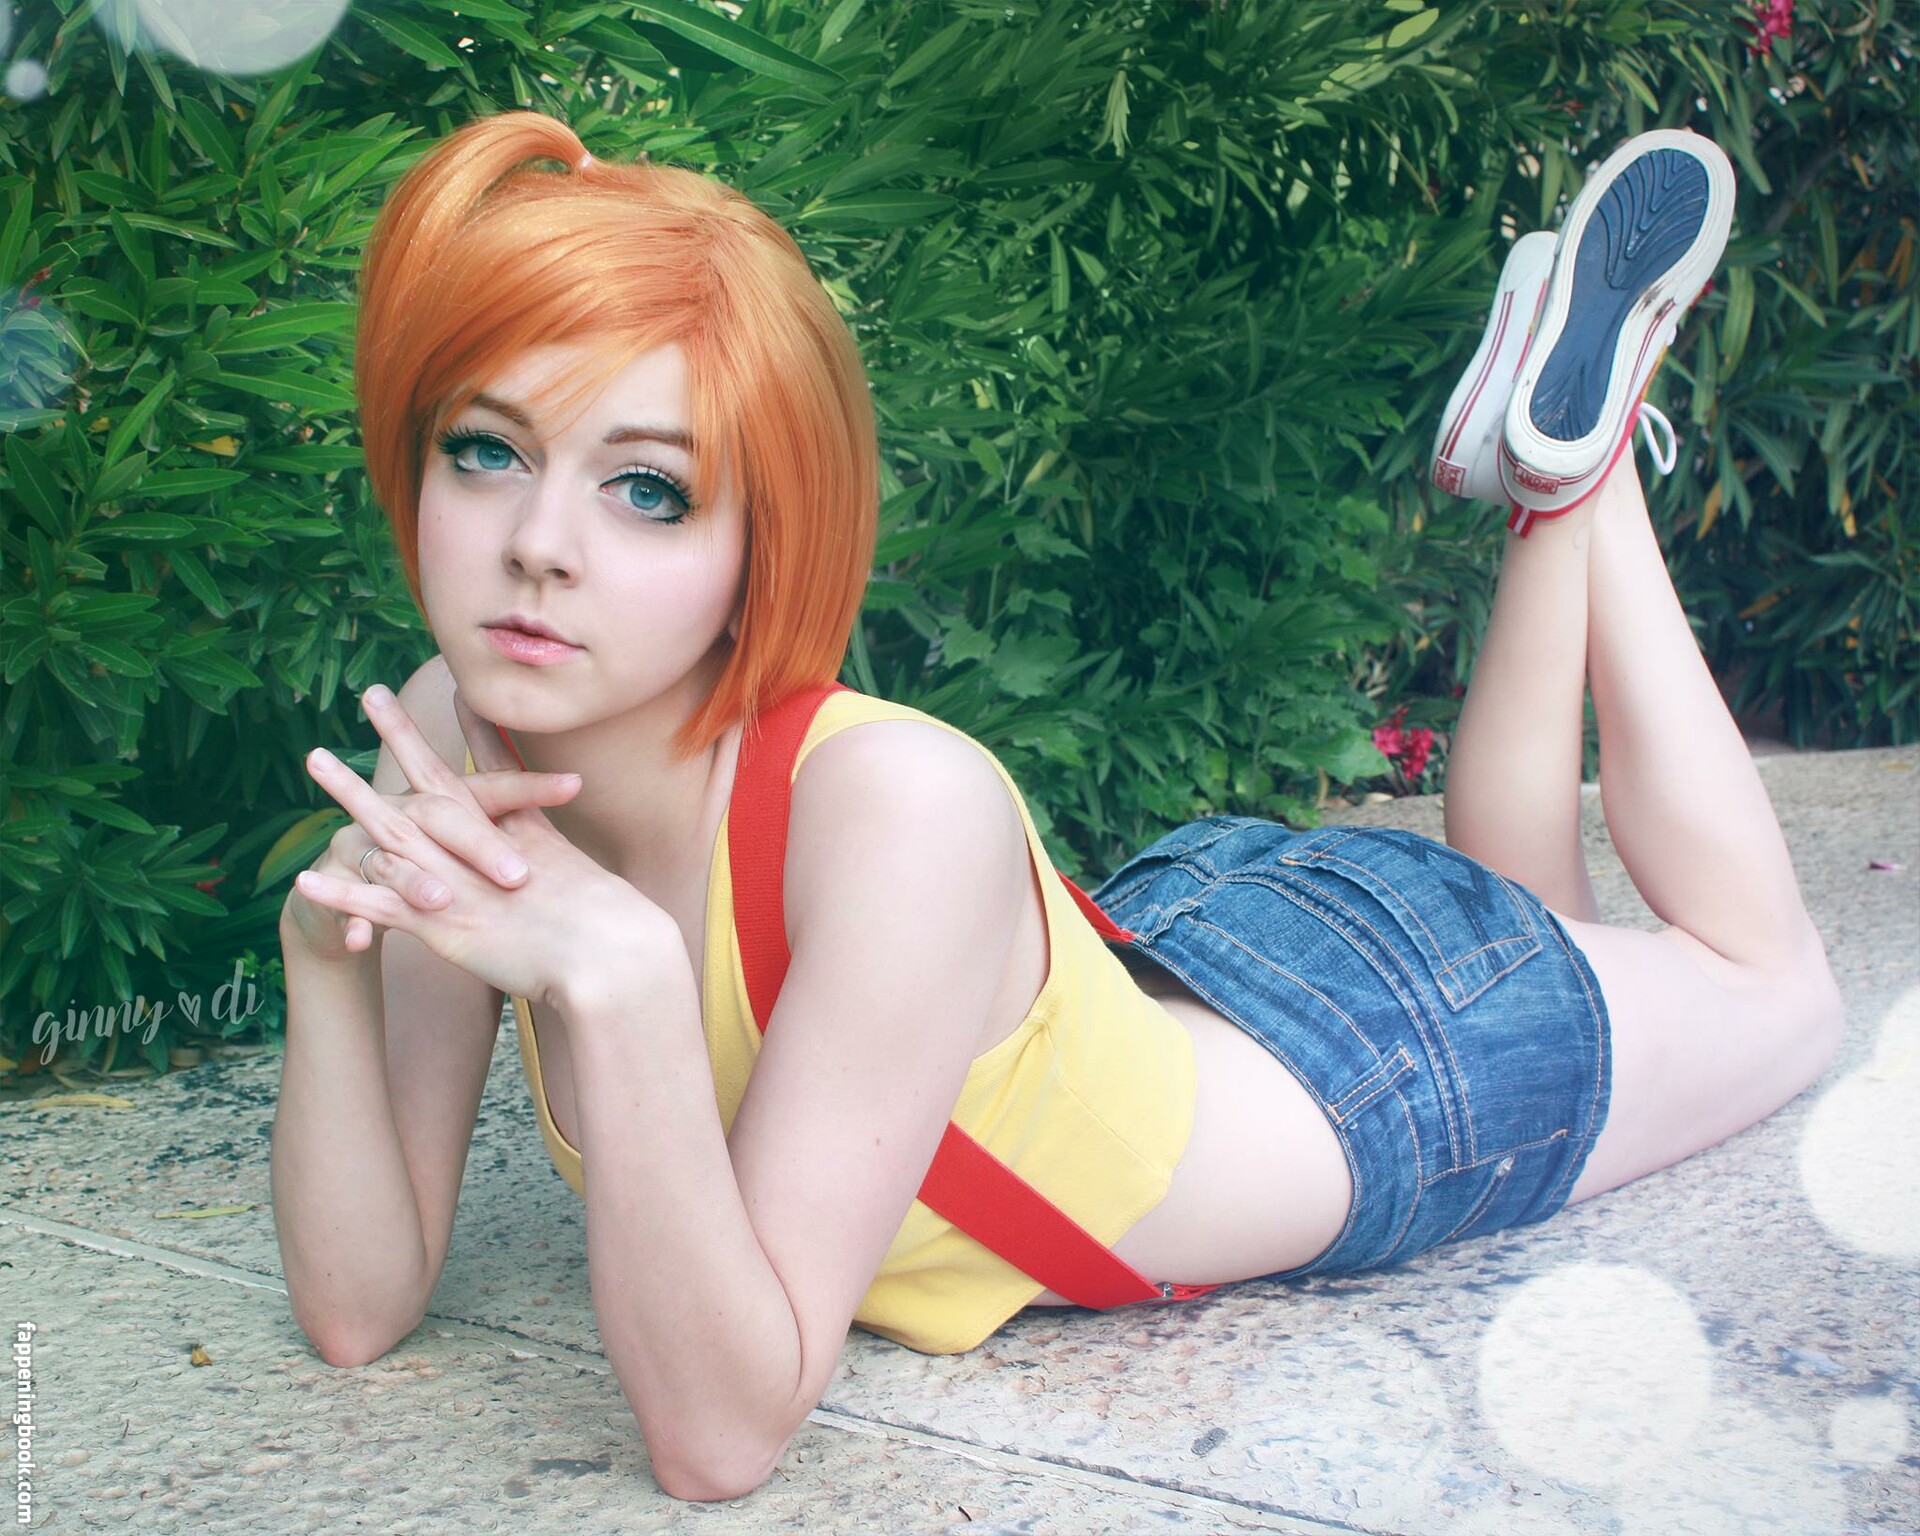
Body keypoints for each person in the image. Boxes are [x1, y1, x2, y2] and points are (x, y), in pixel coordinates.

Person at [272, 112, 1844, 1502]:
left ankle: (1591, 488)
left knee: (1775, 991)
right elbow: (357, 1307)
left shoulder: (894, 806)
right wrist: (326, 961)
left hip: (1386, 1064)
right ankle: (1561, 476)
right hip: (1186, 940)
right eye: (486, 450)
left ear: (766, 539)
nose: (539, 543)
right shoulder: (449, 728)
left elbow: (720, 1437)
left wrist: (618, 978)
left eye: (646, 488)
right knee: (1541, 916)